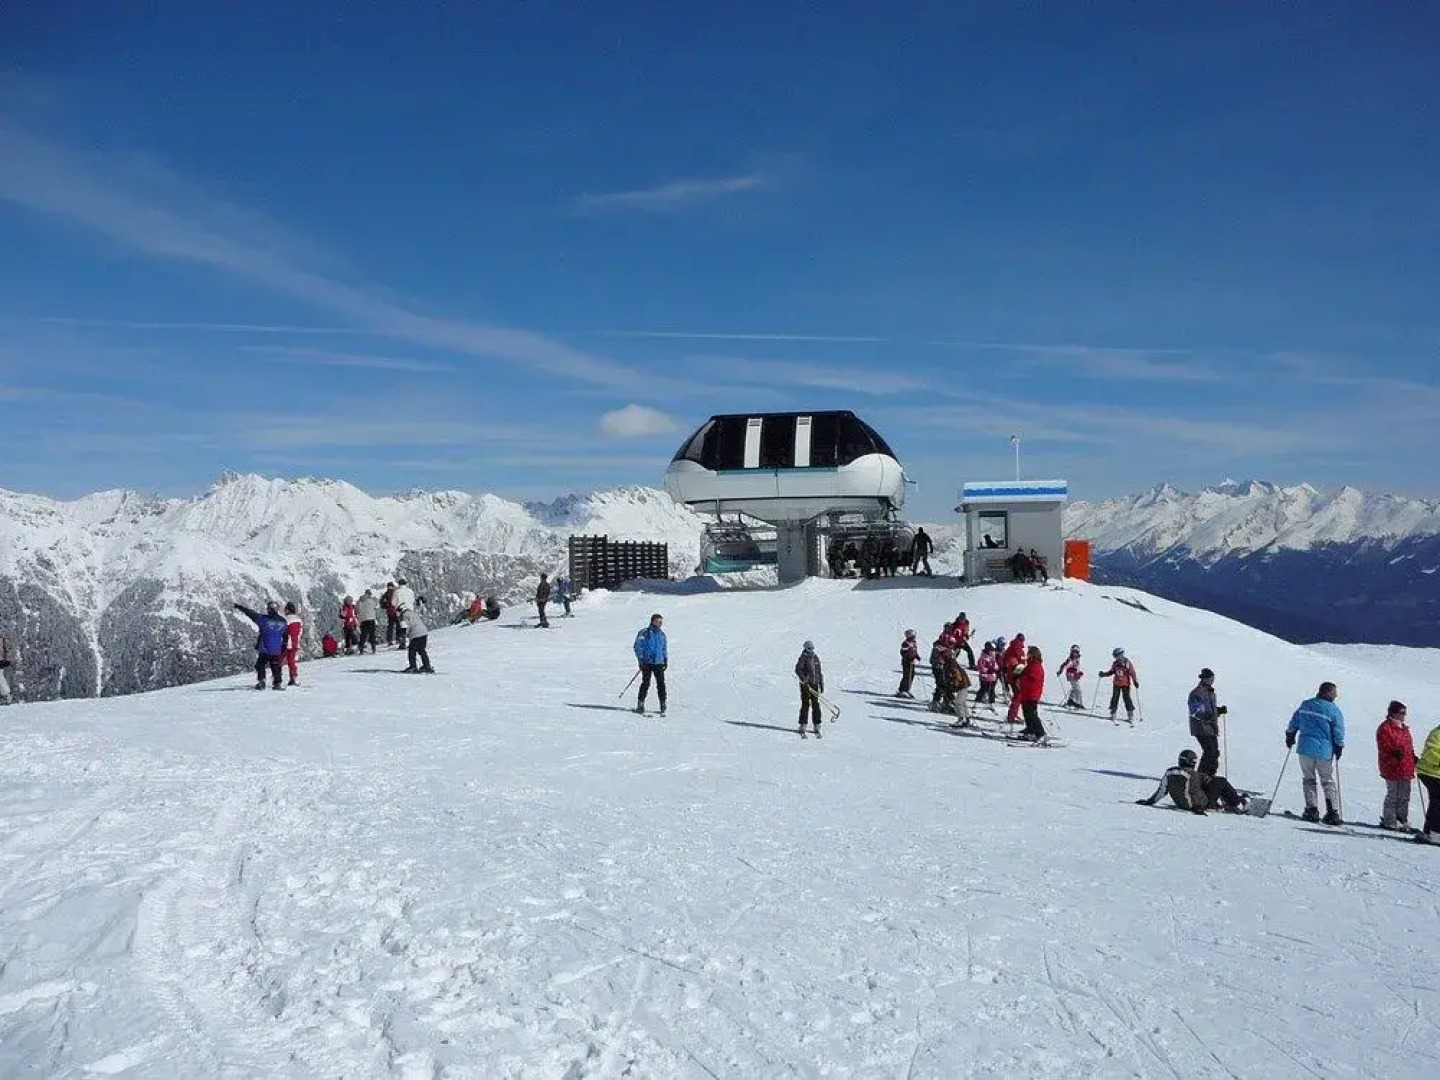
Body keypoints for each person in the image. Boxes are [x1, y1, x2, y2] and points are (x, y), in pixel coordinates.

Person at [1285, 681, 1346, 826]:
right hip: (1324, 749)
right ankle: (1332, 811)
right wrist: (1339, 746)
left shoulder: (1306, 705)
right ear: (1327, 692)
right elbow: (1338, 730)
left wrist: (1290, 734)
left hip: (1305, 748)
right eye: (1334, 693)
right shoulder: (1333, 710)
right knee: (1327, 780)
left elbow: (1295, 721)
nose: (1336, 696)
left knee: (1308, 778)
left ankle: (1311, 809)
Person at [1135, 750, 1248, 814]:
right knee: (1220, 781)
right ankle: (1238, 802)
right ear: (1193, 762)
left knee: (1211, 783)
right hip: (1196, 805)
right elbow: (1194, 792)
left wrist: (1150, 801)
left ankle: (1229, 800)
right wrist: (1199, 808)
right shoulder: (1192, 774)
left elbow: (1162, 790)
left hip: (1180, 803)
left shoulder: (1169, 772)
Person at [1376, 700, 1416, 831]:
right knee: (1394, 794)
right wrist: (1393, 751)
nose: (1404, 715)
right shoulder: (1385, 728)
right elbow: (1383, 744)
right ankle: (1389, 819)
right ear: (1393, 713)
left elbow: (1408, 744)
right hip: (1392, 765)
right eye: (1401, 713)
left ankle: (1402, 818)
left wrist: (1412, 755)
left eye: (1405, 713)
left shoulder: (1404, 728)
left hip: (1405, 765)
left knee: (1405, 794)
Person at [234, 601, 288, 690]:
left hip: (265, 647)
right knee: (275, 665)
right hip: (276, 648)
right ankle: (277, 683)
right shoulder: (283, 621)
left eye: (268, 609)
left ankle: (261, 682)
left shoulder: (264, 620)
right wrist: (283, 648)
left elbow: (251, 613)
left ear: (270, 609)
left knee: (260, 664)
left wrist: (239, 607)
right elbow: (285, 636)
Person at [1187, 668, 1226, 774]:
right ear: (1204, 679)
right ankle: (1201, 777)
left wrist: (1218, 711)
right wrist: (1207, 716)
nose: (1212, 680)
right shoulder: (1196, 693)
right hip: (1201, 728)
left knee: (1214, 753)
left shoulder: (1211, 693)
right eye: (1210, 678)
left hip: (1210, 728)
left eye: (1213, 678)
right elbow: (1195, 711)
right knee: (1210, 752)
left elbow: (1210, 710)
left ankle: (1210, 776)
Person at [632, 613, 667, 715]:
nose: (660, 623)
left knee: (661, 684)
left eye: (661, 622)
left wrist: (665, 659)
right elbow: (637, 647)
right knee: (646, 683)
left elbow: (664, 648)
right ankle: (640, 703)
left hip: (658, 662)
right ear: (652, 621)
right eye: (658, 621)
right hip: (647, 662)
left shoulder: (662, 635)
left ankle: (663, 703)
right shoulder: (644, 633)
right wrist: (641, 660)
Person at [1015, 645, 1047, 741]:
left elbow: (1034, 678)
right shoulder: (1030, 664)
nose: (1027, 655)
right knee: (1026, 712)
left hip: (1032, 694)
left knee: (1032, 714)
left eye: (1029, 653)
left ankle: (1040, 733)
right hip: (1026, 693)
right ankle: (1030, 730)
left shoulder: (1036, 665)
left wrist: (1022, 679)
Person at [1099, 647, 1139, 724]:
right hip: (1116, 683)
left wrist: (1135, 681)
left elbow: (1132, 673)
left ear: (1121, 655)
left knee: (1127, 698)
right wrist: (1104, 674)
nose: (1116, 658)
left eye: (1117, 656)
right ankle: (1113, 713)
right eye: (1115, 657)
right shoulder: (1115, 664)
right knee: (1115, 698)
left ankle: (1130, 714)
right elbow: (1112, 671)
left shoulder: (1127, 664)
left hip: (1125, 684)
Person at [1416, 722, 1440, 844]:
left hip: (1434, 772)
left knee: (1436, 800)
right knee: (1438, 800)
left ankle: (1429, 831)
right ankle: (1435, 833)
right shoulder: (1437, 733)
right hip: (1430, 771)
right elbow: (1431, 751)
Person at [795, 640, 825, 737]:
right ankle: (803, 724)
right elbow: (798, 669)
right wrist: (804, 679)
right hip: (806, 685)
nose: (811, 650)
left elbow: (819, 672)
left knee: (816, 704)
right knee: (805, 704)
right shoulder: (803, 658)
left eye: (812, 648)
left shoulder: (815, 658)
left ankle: (817, 725)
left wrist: (821, 683)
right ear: (805, 648)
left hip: (815, 684)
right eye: (809, 648)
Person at [942, 648, 973, 728]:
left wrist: (953, 684)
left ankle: (961, 719)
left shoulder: (950, 663)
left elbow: (956, 675)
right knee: (962, 702)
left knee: (958, 702)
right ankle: (967, 718)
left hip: (962, 685)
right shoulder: (950, 662)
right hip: (964, 684)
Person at [401, 604, 434, 673]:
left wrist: (404, 636)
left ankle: (413, 667)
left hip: (415, 634)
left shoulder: (404, 615)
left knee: (411, 651)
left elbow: (405, 627)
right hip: (424, 632)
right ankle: (427, 666)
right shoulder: (413, 613)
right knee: (422, 650)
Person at [1002, 634, 1027, 722]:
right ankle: (1012, 716)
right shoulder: (1017, 648)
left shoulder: (1010, 648)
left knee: (1017, 696)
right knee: (1018, 696)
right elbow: (1020, 661)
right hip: (1016, 675)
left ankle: (1012, 715)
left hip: (1011, 675)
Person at [929, 634, 954, 712]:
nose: (951, 645)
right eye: (950, 643)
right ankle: (935, 702)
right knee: (941, 684)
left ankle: (947, 703)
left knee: (949, 685)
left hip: (947, 669)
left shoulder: (949, 649)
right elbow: (933, 659)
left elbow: (951, 659)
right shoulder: (937, 648)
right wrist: (939, 663)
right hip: (939, 669)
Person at [281, 601, 303, 686]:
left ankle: (277, 677)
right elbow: (300, 632)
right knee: (291, 661)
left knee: (279, 659)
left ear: (288, 610)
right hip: (295, 642)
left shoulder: (286, 620)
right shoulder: (299, 620)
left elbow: (283, 631)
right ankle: (293, 677)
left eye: (285, 609)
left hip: (287, 642)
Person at [392, 579, 415, 648]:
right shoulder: (410, 591)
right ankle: (412, 642)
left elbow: (393, 602)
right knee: (411, 626)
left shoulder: (397, 591)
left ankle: (402, 643)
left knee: (402, 627)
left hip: (401, 610)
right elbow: (412, 600)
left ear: (399, 584)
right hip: (410, 610)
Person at [896, 629, 919, 699]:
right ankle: (902, 689)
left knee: (911, 675)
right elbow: (903, 652)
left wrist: (916, 656)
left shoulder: (913, 642)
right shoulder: (906, 643)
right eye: (913, 635)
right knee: (907, 675)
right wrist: (908, 657)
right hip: (907, 661)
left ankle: (907, 689)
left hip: (912, 661)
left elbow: (914, 651)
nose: (914, 637)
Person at [975, 641, 999, 707]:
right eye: (991, 650)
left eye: (993, 650)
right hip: (985, 677)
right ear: (987, 650)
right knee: (983, 689)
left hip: (992, 677)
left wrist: (995, 668)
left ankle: (992, 701)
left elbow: (996, 666)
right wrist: (988, 670)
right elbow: (981, 668)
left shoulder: (992, 658)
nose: (993, 652)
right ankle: (978, 699)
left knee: (992, 690)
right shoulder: (983, 658)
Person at [355, 589, 379, 654]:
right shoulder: (371, 600)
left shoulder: (359, 601)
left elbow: (356, 610)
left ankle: (361, 649)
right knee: (372, 634)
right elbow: (375, 606)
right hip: (371, 619)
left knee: (363, 635)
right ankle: (373, 649)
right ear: (369, 594)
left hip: (363, 620)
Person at [0, 634, 12, 704]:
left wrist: (7, 659)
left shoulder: (2, 638)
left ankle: (6, 695)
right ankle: (6, 695)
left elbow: (7, 649)